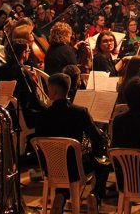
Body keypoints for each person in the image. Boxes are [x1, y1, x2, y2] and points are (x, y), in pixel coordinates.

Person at [34, 73, 111, 208]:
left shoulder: (42, 115)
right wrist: (97, 153)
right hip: (74, 168)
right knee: (104, 163)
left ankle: (61, 195)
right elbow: (97, 138)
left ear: (54, 90)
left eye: (48, 88)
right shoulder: (80, 112)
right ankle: (96, 195)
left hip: (50, 168)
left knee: (65, 167)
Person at [0, 41, 46, 129]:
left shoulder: (1, 70)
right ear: (23, 53)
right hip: (24, 118)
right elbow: (34, 102)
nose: (29, 53)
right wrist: (49, 108)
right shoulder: (22, 72)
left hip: (7, 115)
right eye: (28, 50)